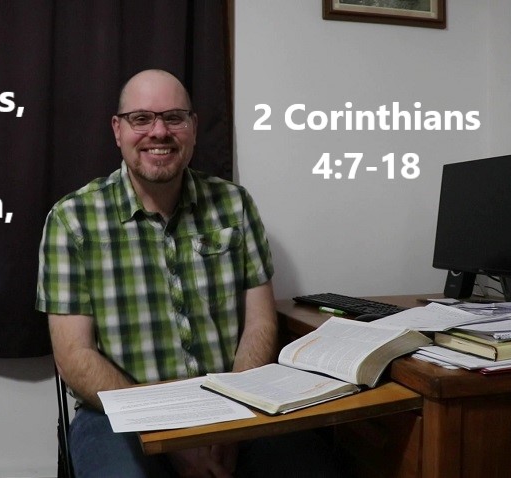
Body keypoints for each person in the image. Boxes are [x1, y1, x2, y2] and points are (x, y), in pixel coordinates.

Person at [37, 69, 338, 477]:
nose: (159, 131)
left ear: (193, 128)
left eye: (174, 118)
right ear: (118, 130)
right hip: (118, 413)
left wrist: (234, 421)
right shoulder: (71, 220)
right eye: (141, 118)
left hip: (235, 402)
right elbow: (74, 355)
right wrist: (165, 431)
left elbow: (260, 323)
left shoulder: (234, 205)